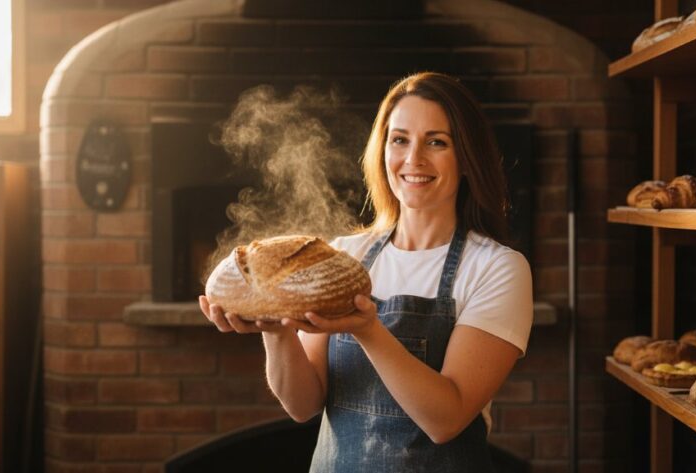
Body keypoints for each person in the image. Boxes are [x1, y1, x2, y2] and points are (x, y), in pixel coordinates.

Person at [199, 71, 533, 472]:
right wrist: (277, 331)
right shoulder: (344, 258)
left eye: (437, 142)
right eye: (400, 140)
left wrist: (368, 330)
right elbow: (304, 405)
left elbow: (446, 419)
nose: (413, 159)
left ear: (466, 157)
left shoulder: (497, 268)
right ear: (382, 150)